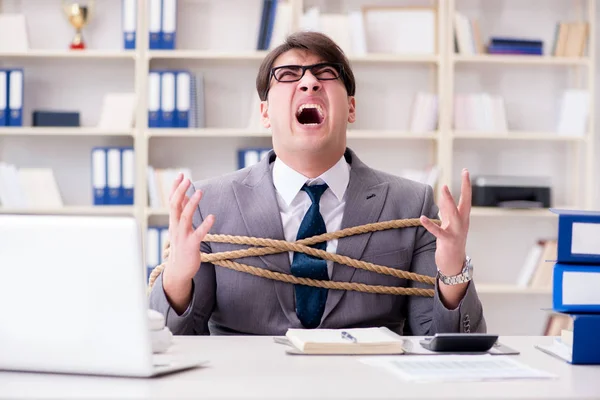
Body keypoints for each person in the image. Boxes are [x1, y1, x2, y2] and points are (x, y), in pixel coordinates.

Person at [149, 31, 486, 336]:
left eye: (326, 73)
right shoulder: (208, 205)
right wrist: (177, 279)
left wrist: (453, 272)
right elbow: (175, 341)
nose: (309, 82)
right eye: (288, 75)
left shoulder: (413, 205)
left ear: (351, 108)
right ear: (264, 113)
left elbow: (444, 342)